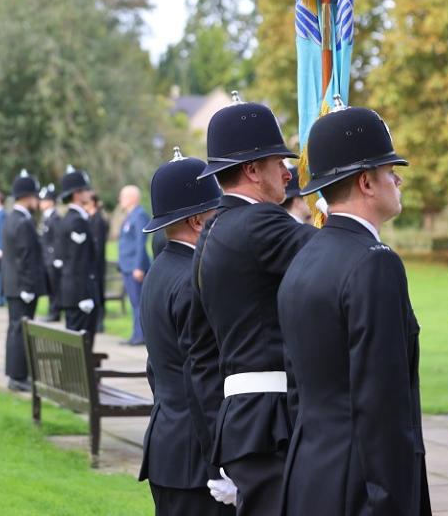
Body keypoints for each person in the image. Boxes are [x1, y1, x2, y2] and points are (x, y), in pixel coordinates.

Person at [277, 106, 431, 515]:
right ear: (366, 181)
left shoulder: (305, 257)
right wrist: (391, 504)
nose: (397, 178)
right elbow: (383, 404)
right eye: (388, 169)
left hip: (309, 476)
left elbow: (298, 392)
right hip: (360, 488)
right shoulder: (374, 262)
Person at [192, 93, 316, 516]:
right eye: (277, 162)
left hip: (243, 418)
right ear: (250, 169)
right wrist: (342, 202)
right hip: (271, 417)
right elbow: (335, 260)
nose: (287, 172)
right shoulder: (261, 220)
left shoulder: (213, 229)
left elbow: (202, 353)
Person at [138, 147, 231, 515]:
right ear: (197, 222)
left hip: (168, 446)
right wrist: (220, 461)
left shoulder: (160, 270)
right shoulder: (196, 279)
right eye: (218, 210)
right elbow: (203, 380)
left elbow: (155, 368)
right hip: (197, 461)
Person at [2, 170, 47, 392]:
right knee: (20, 330)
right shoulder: (23, 221)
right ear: (27, 197)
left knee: (15, 329)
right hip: (22, 286)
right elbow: (25, 258)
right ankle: (18, 375)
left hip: (14, 284)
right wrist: (28, 286)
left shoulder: (13, 218)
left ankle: (15, 374)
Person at [57, 166, 99, 338]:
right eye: (86, 189)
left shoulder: (71, 218)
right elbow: (77, 261)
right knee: (82, 348)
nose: (89, 193)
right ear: (77, 194)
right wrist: (83, 295)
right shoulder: (76, 221)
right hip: (79, 294)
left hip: (73, 292)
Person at [118, 185, 151, 345]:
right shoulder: (130, 215)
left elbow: (140, 243)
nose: (120, 200)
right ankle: (135, 334)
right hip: (128, 266)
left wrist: (138, 266)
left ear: (133, 197)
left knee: (138, 303)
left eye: (123, 196)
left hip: (135, 267)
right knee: (134, 302)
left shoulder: (139, 215)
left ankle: (140, 336)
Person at [39, 184, 62, 322]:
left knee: (55, 288)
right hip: (46, 258)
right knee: (50, 287)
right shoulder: (46, 217)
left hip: (53, 258)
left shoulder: (55, 218)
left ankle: (55, 312)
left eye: (44, 200)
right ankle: (51, 310)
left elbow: (57, 240)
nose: (41, 203)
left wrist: (57, 258)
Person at [86, 194, 109, 333]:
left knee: (98, 291)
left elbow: (98, 244)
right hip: (92, 263)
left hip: (97, 263)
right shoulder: (90, 218)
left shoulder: (98, 220)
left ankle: (100, 322)